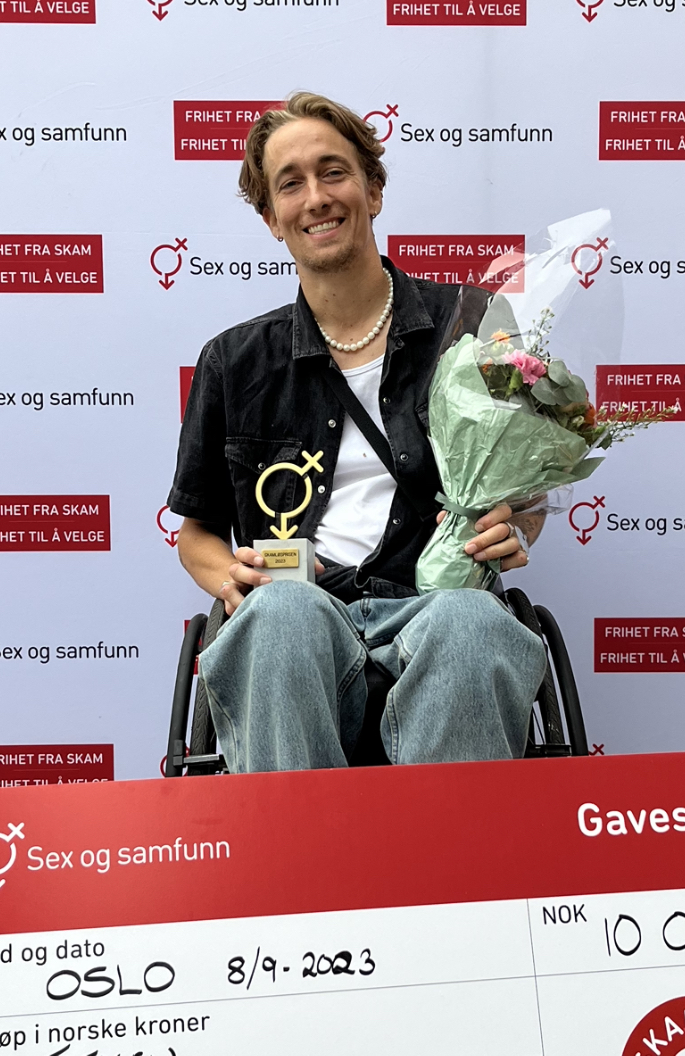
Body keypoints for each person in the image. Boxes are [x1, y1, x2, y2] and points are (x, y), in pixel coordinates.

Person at [168, 91, 547, 773]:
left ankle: (446, 849)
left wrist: (514, 525)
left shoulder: (473, 323)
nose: (316, 197)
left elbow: (523, 498)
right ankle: (297, 845)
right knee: (278, 618)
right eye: (290, 184)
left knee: (471, 623)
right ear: (271, 218)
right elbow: (196, 534)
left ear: (372, 190)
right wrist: (230, 576)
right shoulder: (233, 361)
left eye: (333, 172)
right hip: (303, 607)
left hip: (435, 603)